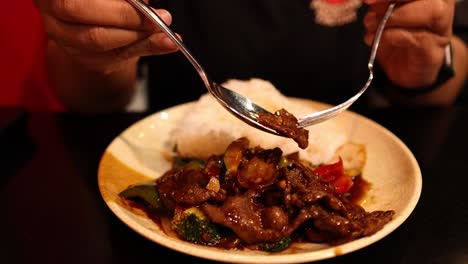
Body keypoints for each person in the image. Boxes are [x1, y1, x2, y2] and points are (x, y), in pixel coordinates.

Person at [33, 0, 468, 113]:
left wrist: (423, 69)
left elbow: (448, 78)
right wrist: (93, 54)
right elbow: (89, 100)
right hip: (160, 155)